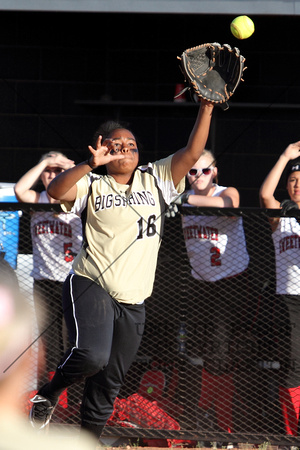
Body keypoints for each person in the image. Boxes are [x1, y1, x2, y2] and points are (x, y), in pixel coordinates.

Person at [28, 99, 215, 443]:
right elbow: (55, 192)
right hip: (90, 283)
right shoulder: (94, 184)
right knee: (91, 356)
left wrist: (205, 106)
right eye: (117, 145)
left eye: (131, 145)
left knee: (108, 383)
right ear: (103, 149)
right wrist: (89, 164)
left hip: (134, 298)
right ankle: (49, 392)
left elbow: (192, 152)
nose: (126, 149)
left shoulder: (156, 178)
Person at [175, 149, 250, 433]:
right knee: (201, 351)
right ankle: (210, 419)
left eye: (205, 170)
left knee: (222, 352)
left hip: (231, 282)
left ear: (215, 171)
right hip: (200, 283)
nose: (198, 176)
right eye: (192, 171)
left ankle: (218, 418)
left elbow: (230, 206)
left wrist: (185, 199)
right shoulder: (181, 194)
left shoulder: (224, 190)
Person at [0, 258, 97, 449]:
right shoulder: (72, 446)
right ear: (31, 357)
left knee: (76, 348)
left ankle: (70, 406)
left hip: (74, 280)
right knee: (68, 350)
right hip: (49, 280)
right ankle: (54, 405)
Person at [14, 152, 83, 393]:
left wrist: (70, 168)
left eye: (57, 171)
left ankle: (73, 396)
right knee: (48, 342)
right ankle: (52, 398)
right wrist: (43, 161)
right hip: (43, 280)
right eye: (48, 172)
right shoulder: (38, 198)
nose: (52, 175)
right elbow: (20, 190)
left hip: (72, 280)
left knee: (74, 342)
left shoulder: (76, 196)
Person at [259, 141, 300, 436]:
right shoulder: (282, 216)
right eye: (293, 181)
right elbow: (264, 194)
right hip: (289, 300)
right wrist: (285, 156)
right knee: (294, 365)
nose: (296, 185)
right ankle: (293, 434)